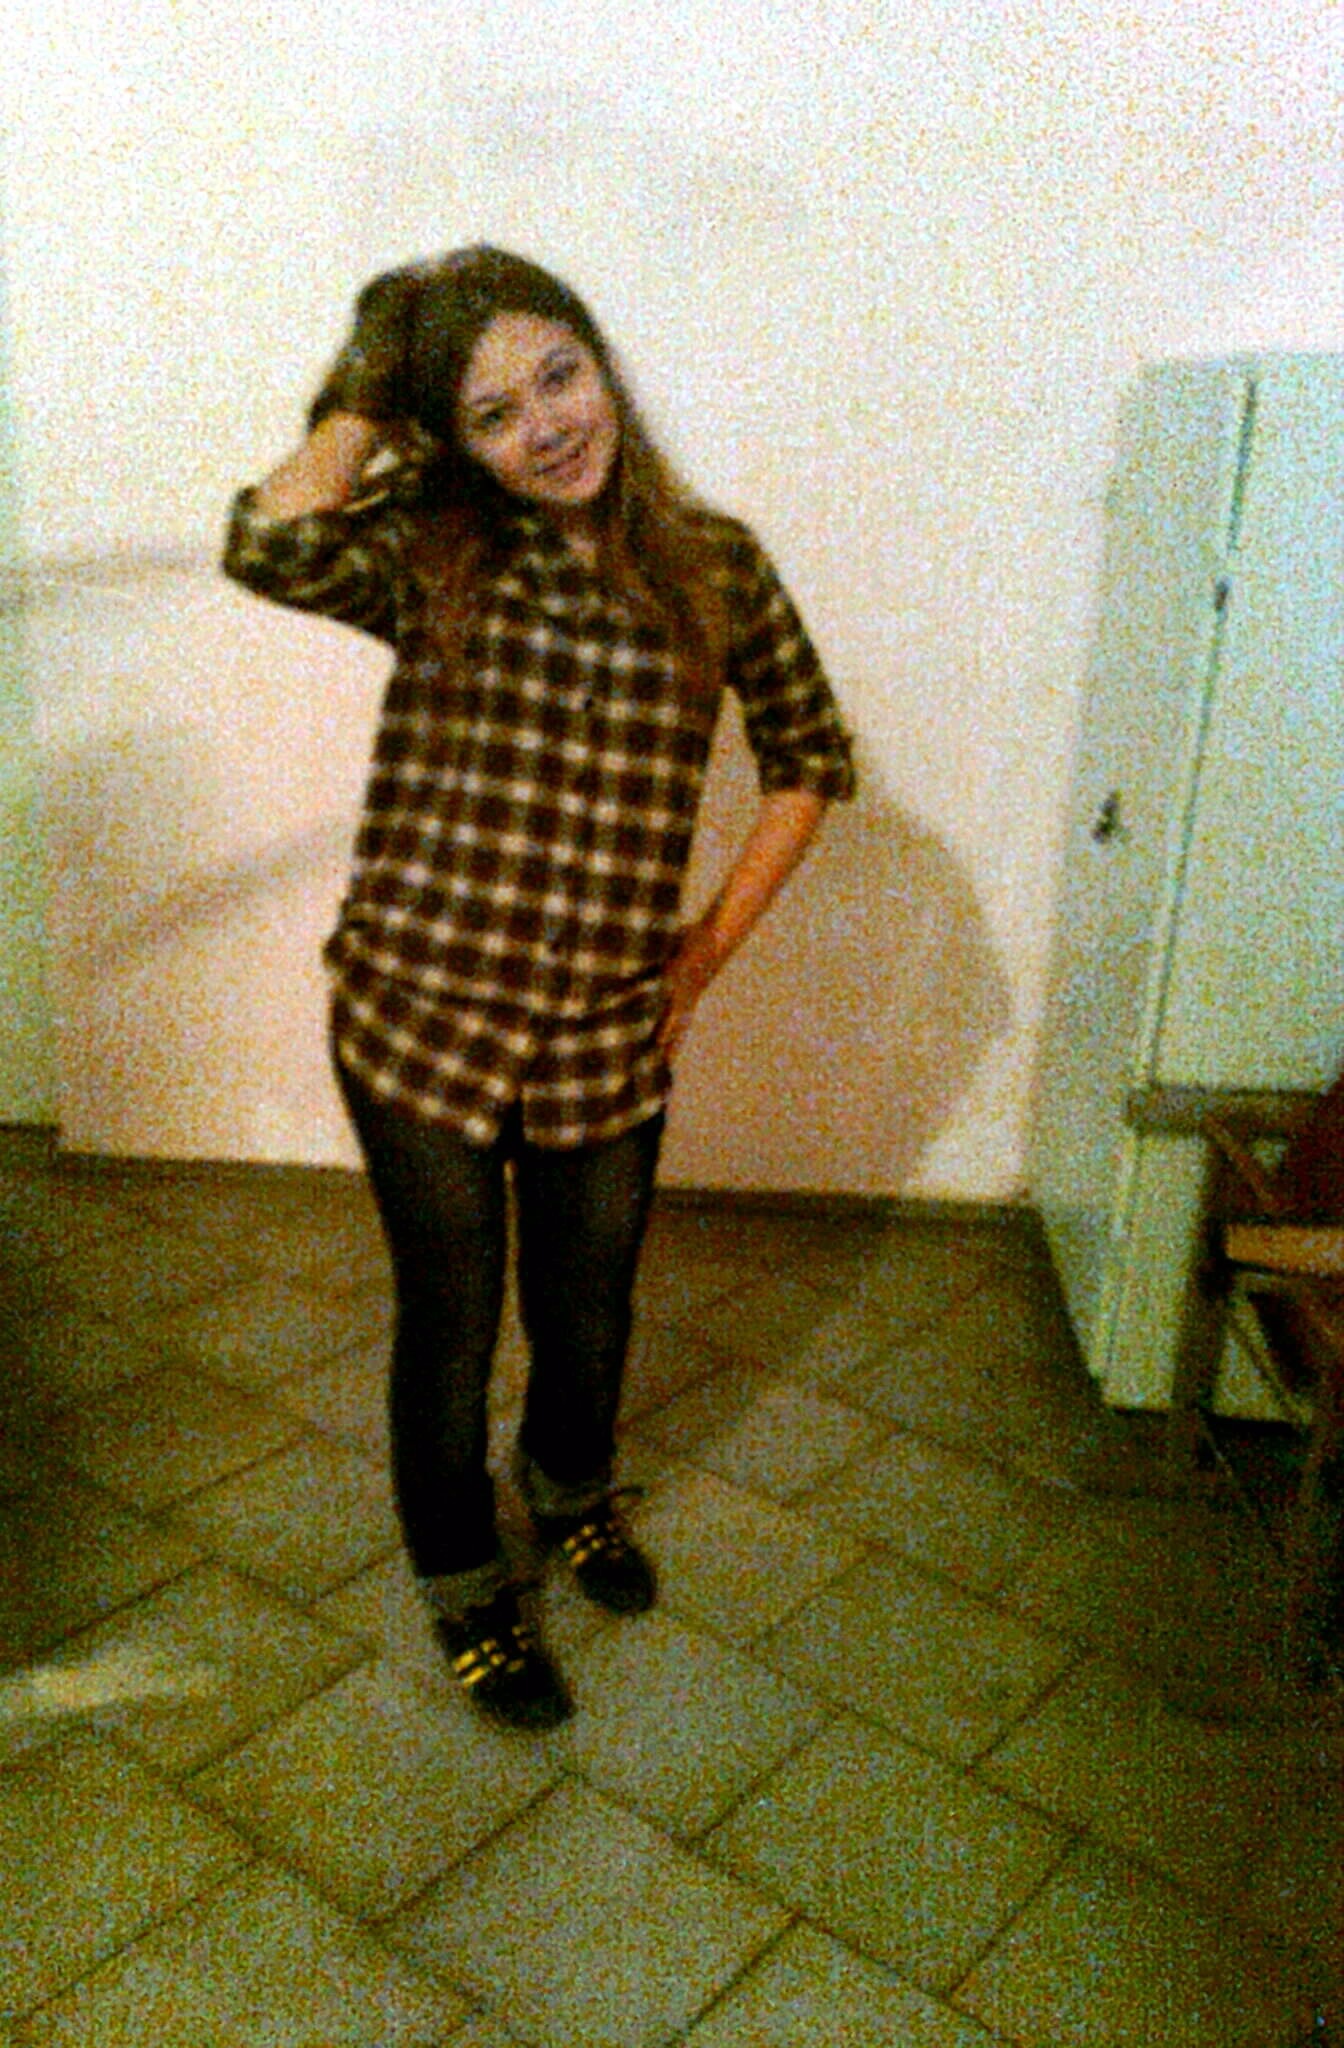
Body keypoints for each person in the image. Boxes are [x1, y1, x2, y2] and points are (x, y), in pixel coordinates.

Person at [223, 245, 855, 1730]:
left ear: (601, 361)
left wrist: (702, 956)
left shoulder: (718, 567)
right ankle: (462, 1577)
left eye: (558, 376)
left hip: (604, 1031)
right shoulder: (430, 547)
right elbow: (264, 542)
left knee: (588, 1308)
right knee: (451, 1320)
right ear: (457, 442)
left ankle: (568, 1491)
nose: (547, 427)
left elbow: (812, 758)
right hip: (419, 1015)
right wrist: (374, 376)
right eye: (494, 414)